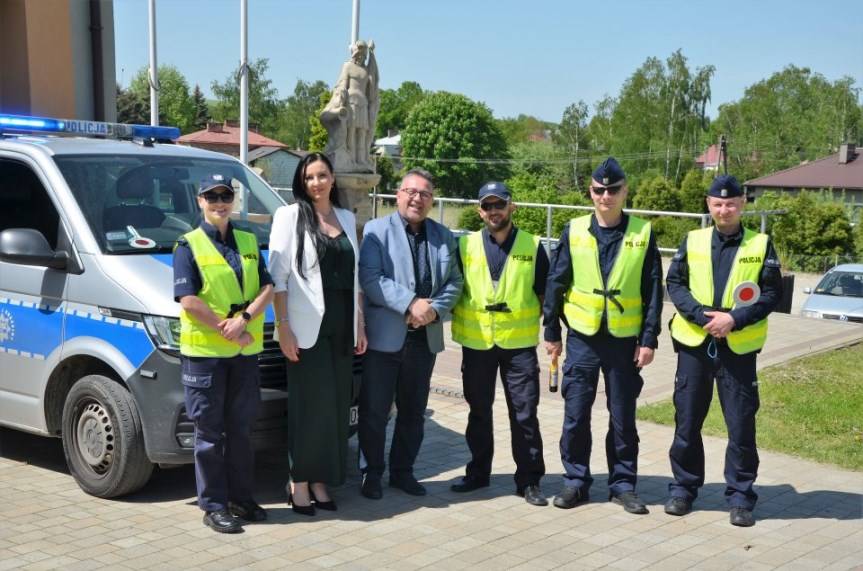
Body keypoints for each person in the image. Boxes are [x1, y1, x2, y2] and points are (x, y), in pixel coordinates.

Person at [543, 157, 663, 514]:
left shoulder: (642, 233)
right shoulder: (575, 229)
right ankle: (575, 482)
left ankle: (623, 484)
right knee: (576, 414)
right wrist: (551, 331)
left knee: (623, 416)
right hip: (582, 337)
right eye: (599, 190)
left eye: (613, 189)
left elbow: (652, 290)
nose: (606, 196)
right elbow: (556, 282)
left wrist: (649, 338)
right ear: (590, 192)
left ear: (625, 191)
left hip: (624, 341)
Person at [664, 174, 782, 527]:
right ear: (708, 204)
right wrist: (701, 317)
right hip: (695, 345)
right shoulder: (693, 239)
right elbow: (675, 282)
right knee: (686, 422)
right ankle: (683, 490)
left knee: (741, 425)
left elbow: (772, 294)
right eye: (718, 203)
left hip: (737, 348)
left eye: (731, 203)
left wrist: (735, 319)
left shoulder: (760, 244)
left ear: (742, 205)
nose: (724, 209)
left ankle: (741, 497)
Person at [173, 174, 273, 534]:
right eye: (211, 197)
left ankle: (242, 499)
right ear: (200, 201)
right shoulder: (187, 245)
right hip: (206, 355)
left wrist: (244, 319)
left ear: (233, 201)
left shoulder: (247, 240)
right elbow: (188, 300)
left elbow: (267, 286)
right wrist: (225, 326)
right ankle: (213, 505)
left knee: (242, 431)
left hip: (244, 354)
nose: (219, 203)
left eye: (225, 196)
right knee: (210, 434)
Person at [268, 153, 366, 516]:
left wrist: (360, 323)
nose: (316, 183)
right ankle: (299, 482)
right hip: (306, 328)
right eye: (309, 177)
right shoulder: (289, 217)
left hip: (342, 327)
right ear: (302, 182)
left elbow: (354, 277)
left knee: (336, 407)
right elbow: (278, 279)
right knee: (308, 407)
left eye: (322, 175)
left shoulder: (347, 217)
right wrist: (284, 329)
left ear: (332, 178)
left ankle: (322, 479)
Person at [357, 167, 463, 499]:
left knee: (413, 411)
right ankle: (371, 473)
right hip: (386, 338)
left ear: (432, 200)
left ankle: (403, 472)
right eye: (411, 191)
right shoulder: (376, 230)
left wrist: (431, 311)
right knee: (375, 412)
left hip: (423, 339)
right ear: (398, 194)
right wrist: (410, 304)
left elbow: (455, 282)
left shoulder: (443, 235)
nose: (417, 198)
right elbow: (371, 279)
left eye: (425, 194)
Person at [449, 182, 549, 506]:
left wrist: (554, 336)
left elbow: (547, 295)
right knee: (479, 412)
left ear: (512, 206)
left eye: (499, 204)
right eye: (487, 206)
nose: (494, 211)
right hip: (477, 343)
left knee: (523, 414)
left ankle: (529, 480)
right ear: (480, 211)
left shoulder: (533, 246)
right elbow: (453, 290)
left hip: (518, 346)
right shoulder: (465, 247)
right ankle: (478, 474)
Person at [326, 39, 380, 172]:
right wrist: (341, 94)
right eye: (359, 54)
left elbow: (374, 77)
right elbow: (343, 83)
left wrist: (372, 53)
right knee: (351, 131)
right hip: (351, 102)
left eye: (364, 55)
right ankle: (351, 159)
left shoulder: (366, 70)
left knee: (362, 133)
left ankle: (361, 160)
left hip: (363, 103)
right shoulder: (348, 66)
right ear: (355, 53)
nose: (361, 57)